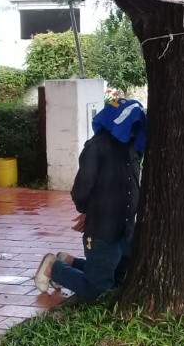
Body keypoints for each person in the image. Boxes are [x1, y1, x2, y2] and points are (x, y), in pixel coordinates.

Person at [34, 98, 146, 301]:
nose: (134, 131)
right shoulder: (96, 147)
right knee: (99, 290)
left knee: (119, 279)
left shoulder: (132, 148)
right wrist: (89, 211)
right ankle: (53, 267)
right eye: (132, 125)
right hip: (103, 230)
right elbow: (81, 190)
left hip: (126, 229)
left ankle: (67, 261)